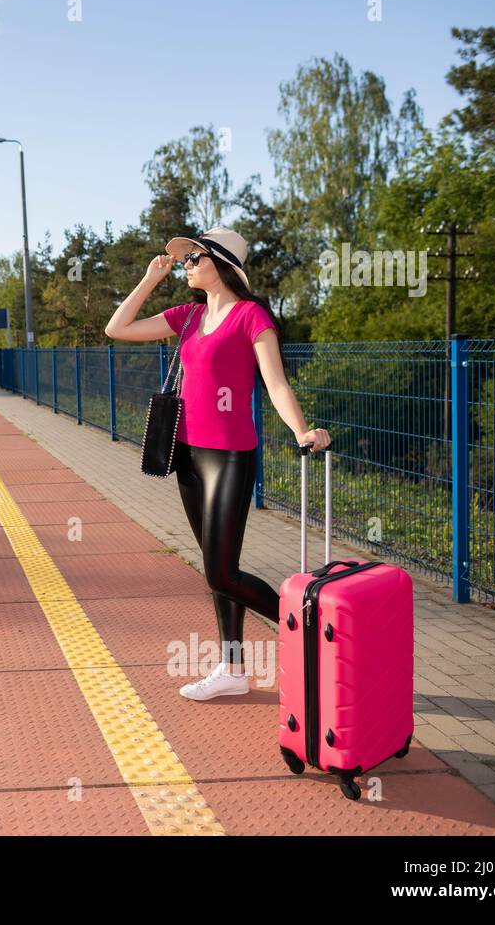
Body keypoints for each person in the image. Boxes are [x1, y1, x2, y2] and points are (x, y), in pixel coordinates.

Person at [104, 226, 331, 700]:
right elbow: (117, 329)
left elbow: (276, 384)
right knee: (216, 565)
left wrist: (300, 430)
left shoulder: (251, 317)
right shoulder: (186, 316)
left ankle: (307, 629)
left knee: (221, 572)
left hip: (230, 456)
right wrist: (149, 279)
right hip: (187, 454)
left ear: (220, 264)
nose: (186, 265)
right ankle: (232, 670)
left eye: (194, 258)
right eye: (184, 260)